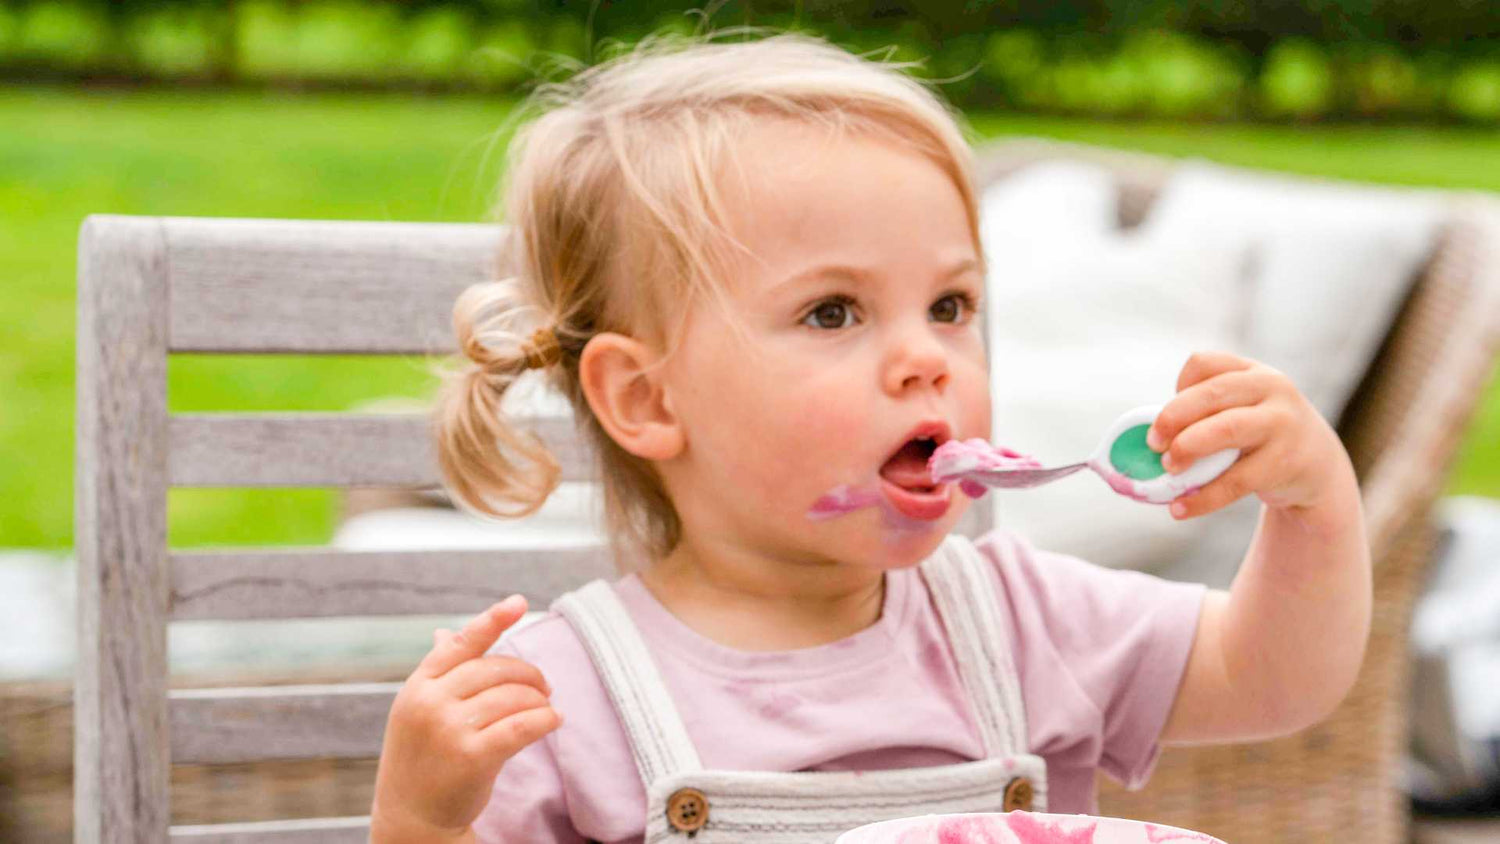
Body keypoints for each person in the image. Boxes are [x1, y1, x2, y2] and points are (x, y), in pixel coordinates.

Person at [369, 32, 1371, 844]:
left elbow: (1275, 677)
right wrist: (422, 819)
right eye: (834, 314)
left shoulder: (1025, 621)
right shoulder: (562, 700)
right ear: (646, 398)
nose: (925, 359)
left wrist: (1313, 503)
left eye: (949, 303)